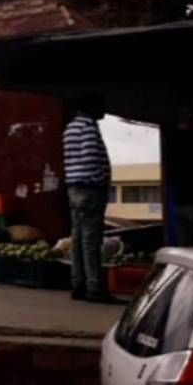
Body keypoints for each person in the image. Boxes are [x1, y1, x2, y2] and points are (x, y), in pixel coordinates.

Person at [63, 93, 118, 304]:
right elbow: (91, 158)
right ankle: (95, 288)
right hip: (90, 189)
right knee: (91, 241)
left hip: (74, 188)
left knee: (77, 239)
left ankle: (78, 284)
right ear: (90, 107)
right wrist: (101, 180)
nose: (103, 110)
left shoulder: (70, 128)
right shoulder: (87, 126)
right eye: (100, 105)